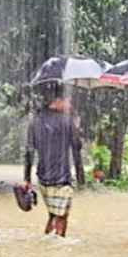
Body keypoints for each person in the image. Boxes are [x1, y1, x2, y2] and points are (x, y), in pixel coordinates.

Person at [23, 88, 82, 237]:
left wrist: (27, 179)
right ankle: (58, 249)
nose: (70, 104)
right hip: (62, 179)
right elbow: (77, 147)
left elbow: (29, 151)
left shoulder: (35, 121)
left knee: (52, 215)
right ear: (58, 101)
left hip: (43, 178)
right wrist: (81, 177)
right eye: (68, 100)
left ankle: (46, 245)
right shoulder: (67, 121)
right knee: (62, 216)